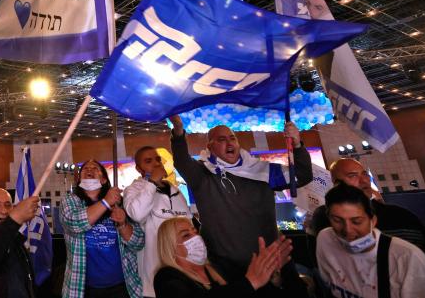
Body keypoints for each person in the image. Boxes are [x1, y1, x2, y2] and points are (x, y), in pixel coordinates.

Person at [170, 115, 312, 283]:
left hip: (273, 265)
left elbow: (302, 175)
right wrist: (178, 131)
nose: (229, 143)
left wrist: (296, 144)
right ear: (210, 146)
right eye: (222, 139)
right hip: (226, 271)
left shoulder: (262, 171)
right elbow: (181, 161)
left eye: (232, 138)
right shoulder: (203, 174)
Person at [315, 184, 425, 298]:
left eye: (357, 221)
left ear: (373, 220)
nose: (348, 230)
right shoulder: (325, 240)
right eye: (337, 220)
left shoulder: (407, 259)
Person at [153, 217, 299, 297]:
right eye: (186, 235)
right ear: (170, 247)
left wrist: (271, 276)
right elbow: (247, 286)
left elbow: (253, 290)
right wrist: (250, 282)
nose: (196, 237)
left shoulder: (221, 265)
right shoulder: (166, 278)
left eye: (195, 231)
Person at [61, 159, 145, 298]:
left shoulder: (120, 203)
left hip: (123, 285)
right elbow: (74, 223)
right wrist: (106, 202)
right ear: (78, 179)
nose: (89, 170)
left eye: (95, 168)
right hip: (83, 288)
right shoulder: (70, 200)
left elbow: (138, 243)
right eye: (85, 168)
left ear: (104, 179)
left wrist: (123, 224)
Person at [308, 158, 425, 246]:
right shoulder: (324, 217)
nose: (364, 180)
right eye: (353, 176)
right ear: (336, 184)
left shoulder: (403, 217)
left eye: (365, 174)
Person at [124, 146, 191, 297]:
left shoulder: (175, 190)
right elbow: (136, 214)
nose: (156, 164)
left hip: (184, 271)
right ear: (139, 168)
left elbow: (188, 223)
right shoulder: (134, 190)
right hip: (154, 276)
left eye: (158, 159)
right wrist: (152, 182)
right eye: (149, 161)